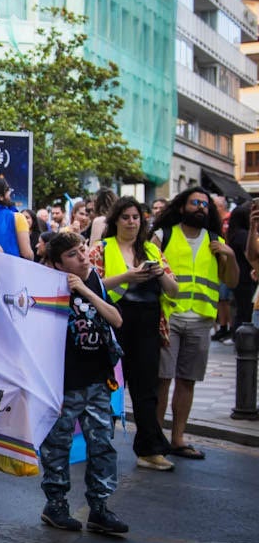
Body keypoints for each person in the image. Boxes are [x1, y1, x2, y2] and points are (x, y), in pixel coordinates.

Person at [39, 231, 129, 535]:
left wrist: (86, 291)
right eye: (73, 255)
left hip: (97, 380)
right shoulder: (46, 283)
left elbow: (115, 319)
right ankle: (56, 504)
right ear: (56, 263)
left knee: (101, 443)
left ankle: (100, 508)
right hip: (63, 382)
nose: (83, 257)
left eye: (83, 250)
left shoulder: (94, 280)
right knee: (57, 445)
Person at [92, 196, 179, 471]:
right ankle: (99, 446)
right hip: (114, 324)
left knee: (146, 389)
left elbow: (174, 289)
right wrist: (126, 277)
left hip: (148, 326)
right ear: (115, 220)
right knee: (108, 389)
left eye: (136, 217)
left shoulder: (153, 251)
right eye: (126, 217)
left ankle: (150, 450)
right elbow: (91, 285)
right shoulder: (100, 248)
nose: (131, 222)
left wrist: (159, 274)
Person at [151, 187, 237, 459]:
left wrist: (230, 255)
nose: (200, 207)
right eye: (195, 202)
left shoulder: (215, 240)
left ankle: (177, 438)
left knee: (187, 381)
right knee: (162, 380)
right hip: (169, 317)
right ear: (181, 207)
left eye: (204, 204)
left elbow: (232, 282)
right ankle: (156, 438)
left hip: (201, 319)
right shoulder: (163, 235)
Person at [227, 202, 255, 332]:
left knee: (241, 309)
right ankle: (241, 337)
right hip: (246, 277)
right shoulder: (243, 235)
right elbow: (251, 256)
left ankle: (238, 336)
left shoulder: (233, 234)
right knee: (246, 311)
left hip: (240, 276)